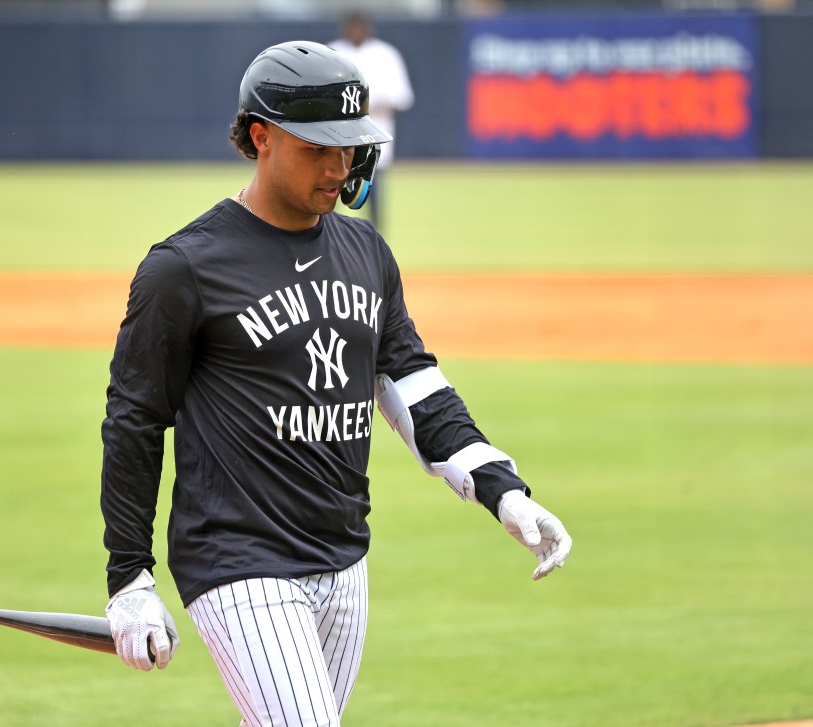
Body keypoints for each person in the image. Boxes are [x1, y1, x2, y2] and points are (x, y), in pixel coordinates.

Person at [100, 41, 572, 727]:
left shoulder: (365, 252)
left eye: (347, 147)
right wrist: (129, 577)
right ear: (260, 136)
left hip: (344, 554)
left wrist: (501, 488)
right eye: (316, 148)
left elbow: (412, 382)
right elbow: (134, 421)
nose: (338, 165)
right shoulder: (184, 268)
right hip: (237, 556)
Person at [329, 13, 414, 232]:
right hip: (337, 133)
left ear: (368, 30)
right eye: (352, 27)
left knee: (372, 189)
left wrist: (372, 105)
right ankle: (327, 234)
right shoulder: (332, 52)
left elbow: (402, 97)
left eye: (360, 28)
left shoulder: (385, 54)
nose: (355, 32)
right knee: (332, 184)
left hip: (374, 130)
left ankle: (375, 236)